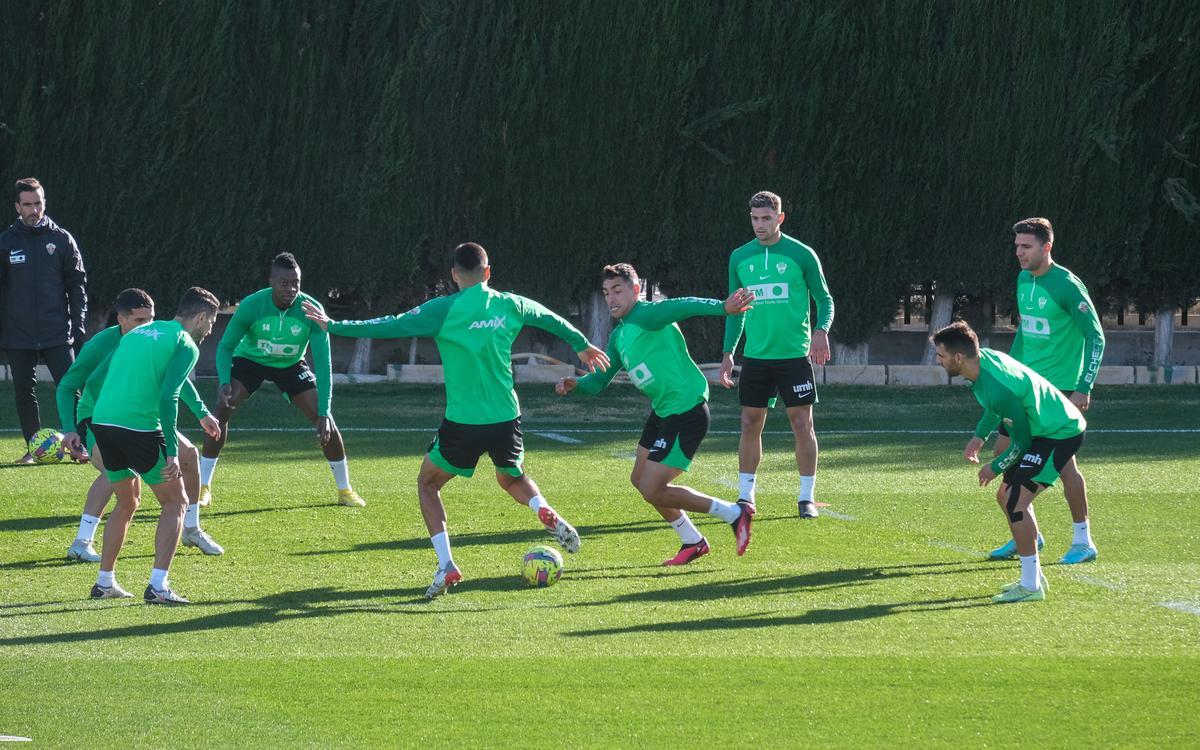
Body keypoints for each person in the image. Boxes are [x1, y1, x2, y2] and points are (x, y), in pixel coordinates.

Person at [304, 242, 609, 599]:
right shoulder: (509, 303)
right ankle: (543, 509)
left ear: (453, 275)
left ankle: (447, 564)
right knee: (512, 478)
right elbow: (547, 316)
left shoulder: (444, 309)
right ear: (488, 272)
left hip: (463, 422)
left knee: (427, 484)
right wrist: (581, 343)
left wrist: (335, 325)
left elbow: (391, 325)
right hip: (505, 416)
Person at [557, 264, 756, 565]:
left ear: (636, 290)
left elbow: (682, 305)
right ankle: (692, 540)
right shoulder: (620, 335)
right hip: (663, 411)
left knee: (653, 486)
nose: (611, 299)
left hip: (686, 409)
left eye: (618, 291)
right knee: (640, 479)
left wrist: (723, 308)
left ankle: (734, 513)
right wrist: (576, 384)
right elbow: (599, 381)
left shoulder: (646, 315)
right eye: (606, 293)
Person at [969, 218, 1104, 565]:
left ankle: (1082, 541)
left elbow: (1096, 336)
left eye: (1026, 247)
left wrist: (1083, 387)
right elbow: (1026, 335)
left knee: (1066, 468)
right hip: (1024, 387)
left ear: (1047, 247)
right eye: (1016, 247)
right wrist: (1006, 371)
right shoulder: (1023, 279)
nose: (1019, 253)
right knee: (1005, 458)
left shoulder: (1067, 286)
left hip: (1058, 391)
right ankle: (1028, 536)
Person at [57, 288, 224, 563]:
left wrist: (202, 412)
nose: (147, 326)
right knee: (121, 473)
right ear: (121, 320)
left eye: (151, 318)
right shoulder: (102, 344)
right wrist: (69, 427)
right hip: (96, 416)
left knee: (190, 454)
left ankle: (191, 528)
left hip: (139, 418)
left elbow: (174, 378)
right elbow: (68, 385)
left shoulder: (153, 337)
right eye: (139, 320)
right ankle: (82, 541)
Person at [933, 321, 1087, 604]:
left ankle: (1030, 586)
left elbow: (1022, 441)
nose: (938, 361)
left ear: (958, 358)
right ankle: (1033, 577)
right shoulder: (983, 363)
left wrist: (995, 467)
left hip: (1060, 433)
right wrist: (980, 436)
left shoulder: (995, 385)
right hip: (1043, 430)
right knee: (1006, 497)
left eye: (941, 356)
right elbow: (998, 408)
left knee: (1016, 502)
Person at [200, 252, 365, 508]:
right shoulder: (252, 305)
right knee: (223, 407)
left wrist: (325, 410)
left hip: (290, 365)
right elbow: (225, 347)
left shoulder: (312, 311)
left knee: (326, 421)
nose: (291, 289)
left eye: (296, 283)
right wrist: (223, 382)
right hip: (250, 361)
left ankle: (345, 490)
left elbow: (323, 365)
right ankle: (203, 487)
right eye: (284, 283)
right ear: (271, 281)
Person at [717, 191, 834, 518]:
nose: (759, 224)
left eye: (766, 218)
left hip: (794, 356)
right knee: (749, 422)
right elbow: (735, 310)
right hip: (756, 357)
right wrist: (728, 353)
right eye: (754, 218)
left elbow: (824, 300)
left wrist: (821, 330)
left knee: (801, 424)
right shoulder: (739, 257)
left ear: (780, 218)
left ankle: (806, 498)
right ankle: (745, 497)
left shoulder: (801, 254)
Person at [0, 177, 88, 463]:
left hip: (57, 331)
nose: (34, 209)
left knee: (70, 387)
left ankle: (79, 445)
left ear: (44, 203)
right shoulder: (6, 242)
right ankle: (33, 448)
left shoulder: (61, 239)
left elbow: (77, 285)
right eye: (27, 204)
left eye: (38, 203)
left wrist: (79, 324)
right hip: (19, 333)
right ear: (17, 206)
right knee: (25, 390)